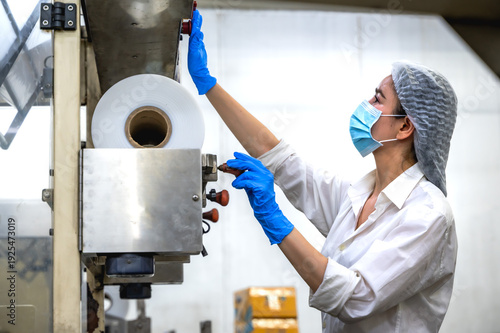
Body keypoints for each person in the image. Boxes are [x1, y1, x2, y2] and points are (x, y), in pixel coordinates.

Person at [188, 10, 458, 333]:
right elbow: (281, 159)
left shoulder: (428, 216)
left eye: (378, 98)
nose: (366, 103)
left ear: (404, 126)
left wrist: (274, 219)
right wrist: (208, 83)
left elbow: (355, 297)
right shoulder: (357, 196)